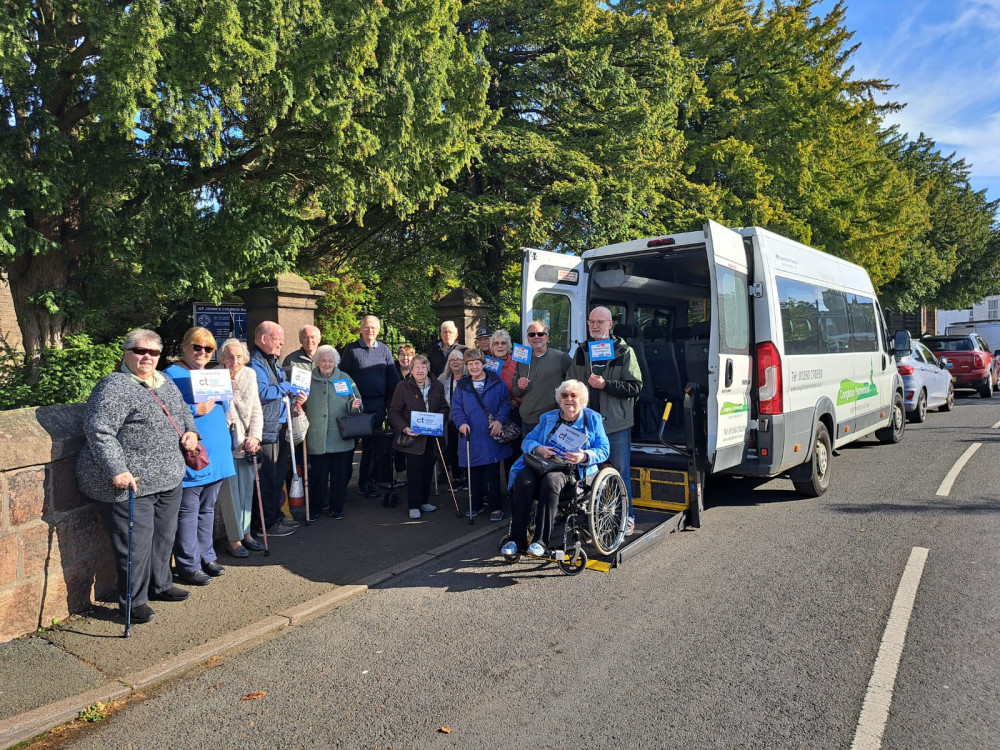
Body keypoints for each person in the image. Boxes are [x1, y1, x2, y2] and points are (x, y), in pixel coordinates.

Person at [77, 329, 198, 624]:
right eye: (139, 351)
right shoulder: (114, 386)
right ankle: (132, 601)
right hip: (131, 484)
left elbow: (183, 413)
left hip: (168, 477)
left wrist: (192, 432)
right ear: (126, 353)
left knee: (163, 537)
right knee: (135, 545)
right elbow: (99, 431)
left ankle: (161, 584)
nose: (147, 357)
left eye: (153, 353)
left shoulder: (164, 381)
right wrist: (117, 469)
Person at [502, 379, 610, 557]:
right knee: (522, 479)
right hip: (543, 463)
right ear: (559, 399)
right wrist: (538, 448)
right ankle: (516, 539)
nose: (568, 399)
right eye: (564, 395)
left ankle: (540, 542)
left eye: (573, 395)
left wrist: (583, 456)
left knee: (551, 482)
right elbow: (528, 440)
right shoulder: (548, 418)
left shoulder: (592, 419)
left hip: (569, 469)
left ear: (582, 399)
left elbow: (604, 450)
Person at [164, 327, 237, 585]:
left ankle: (207, 556)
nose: (202, 352)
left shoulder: (211, 374)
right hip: (194, 454)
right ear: (184, 347)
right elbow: (165, 411)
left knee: (207, 508)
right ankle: (188, 564)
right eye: (197, 347)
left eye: (208, 349)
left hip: (216, 454)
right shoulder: (170, 375)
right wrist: (196, 408)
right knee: (188, 510)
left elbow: (225, 406)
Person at [567, 306, 643, 535]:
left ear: (611, 325)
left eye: (601, 322)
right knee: (589, 473)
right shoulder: (581, 351)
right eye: (592, 321)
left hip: (615, 425)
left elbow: (636, 386)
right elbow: (571, 384)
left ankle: (627, 517)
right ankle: (596, 517)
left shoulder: (623, 351)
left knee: (620, 473)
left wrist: (605, 385)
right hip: (587, 426)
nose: (595, 326)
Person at [249, 321, 304, 537]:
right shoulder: (255, 363)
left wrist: (294, 399)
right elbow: (262, 392)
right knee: (267, 478)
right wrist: (288, 385)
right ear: (264, 339)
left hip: (280, 425)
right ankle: (266, 524)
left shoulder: (272, 359)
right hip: (266, 428)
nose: (282, 342)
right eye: (278, 339)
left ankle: (276, 516)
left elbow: (279, 393)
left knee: (278, 475)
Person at [340, 315, 401, 498]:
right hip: (355, 406)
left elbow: (393, 378)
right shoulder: (351, 350)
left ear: (379, 330)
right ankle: (342, 487)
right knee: (349, 448)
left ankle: (365, 482)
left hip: (377, 406)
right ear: (360, 329)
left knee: (371, 448)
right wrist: (348, 401)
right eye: (366, 327)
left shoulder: (384, 350)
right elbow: (342, 379)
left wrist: (397, 400)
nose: (370, 330)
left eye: (374, 327)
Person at [216, 338, 265, 558]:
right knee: (230, 494)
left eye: (238, 356)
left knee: (246, 491)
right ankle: (233, 538)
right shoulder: (214, 375)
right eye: (229, 356)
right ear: (221, 357)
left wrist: (255, 436)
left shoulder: (250, 374)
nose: (234, 361)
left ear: (245, 358)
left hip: (247, 442)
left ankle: (246, 533)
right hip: (225, 442)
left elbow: (256, 407)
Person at [451, 348, 512, 521]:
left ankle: (495, 507)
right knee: (474, 474)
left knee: (492, 474)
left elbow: (505, 403)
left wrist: (500, 420)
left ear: (483, 364)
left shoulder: (496, 381)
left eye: (477, 363)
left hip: (491, 434)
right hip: (471, 435)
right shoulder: (462, 385)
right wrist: (461, 423)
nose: (474, 367)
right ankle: (475, 505)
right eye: (470, 364)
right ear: (466, 366)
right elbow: (456, 408)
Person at [305, 345, 362, 520]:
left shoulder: (344, 379)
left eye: (330, 360)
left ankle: (336, 508)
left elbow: (357, 404)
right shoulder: (308, 380)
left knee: (339, 477)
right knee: (317, 477)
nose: (327, 363)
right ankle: (314, 508)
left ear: (336, 362)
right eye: (323, 360)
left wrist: (353, 407)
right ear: (317, 362)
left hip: (340, 437)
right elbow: (298, 403)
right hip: (317, 438)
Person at [387, 354, 448, 519]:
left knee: (428, 469)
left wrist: (438, 420)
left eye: (423, 367)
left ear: (428, 369)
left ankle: (424, 501)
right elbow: (393, 413)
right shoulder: (402, 387)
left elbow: (444, 406)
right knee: (415, 472)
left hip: (432, 437)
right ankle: (413, 505)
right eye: (417, 367)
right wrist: (405, 428)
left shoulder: (437, 386)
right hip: (413, 437)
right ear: (411, 370)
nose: (420, 370)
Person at [511, 320, 572, 435]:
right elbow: (516, 392)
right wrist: (519, 386)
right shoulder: (522, 360)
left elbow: (573, 385)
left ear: (547, 337)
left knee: (549, 453)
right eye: (532, 334)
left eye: (540, 334)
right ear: (528, 338)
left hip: (552, 420)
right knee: (529, 452)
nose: (536, 337)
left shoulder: (561, 357)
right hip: (527, 422)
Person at [491, 329, 522, 475]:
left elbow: (525, 385)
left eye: (503, 343)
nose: (500, 346)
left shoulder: (517, 363)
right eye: (496, 343)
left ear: (508, 346)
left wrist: (516, 401)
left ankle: (513, 485)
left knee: (513, 451)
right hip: (493, 413)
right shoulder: (487, 364)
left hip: (514, 410)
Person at [437, 348, 466, 488]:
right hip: (450, 419)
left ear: (463, 362)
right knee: (452, 448)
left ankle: (466, 476)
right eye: (452, 360)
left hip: (467, 419)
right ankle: (456, 477)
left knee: (466, 448)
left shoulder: (469, 378)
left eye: (458, 360)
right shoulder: (443, 379)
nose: (455, 362)